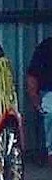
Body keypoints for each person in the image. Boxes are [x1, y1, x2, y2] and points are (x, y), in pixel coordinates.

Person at [27, 37, 52, 166]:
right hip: (49, 93)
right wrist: (35, 101)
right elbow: (32, 76)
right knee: (50, 108)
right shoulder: (46, 47)